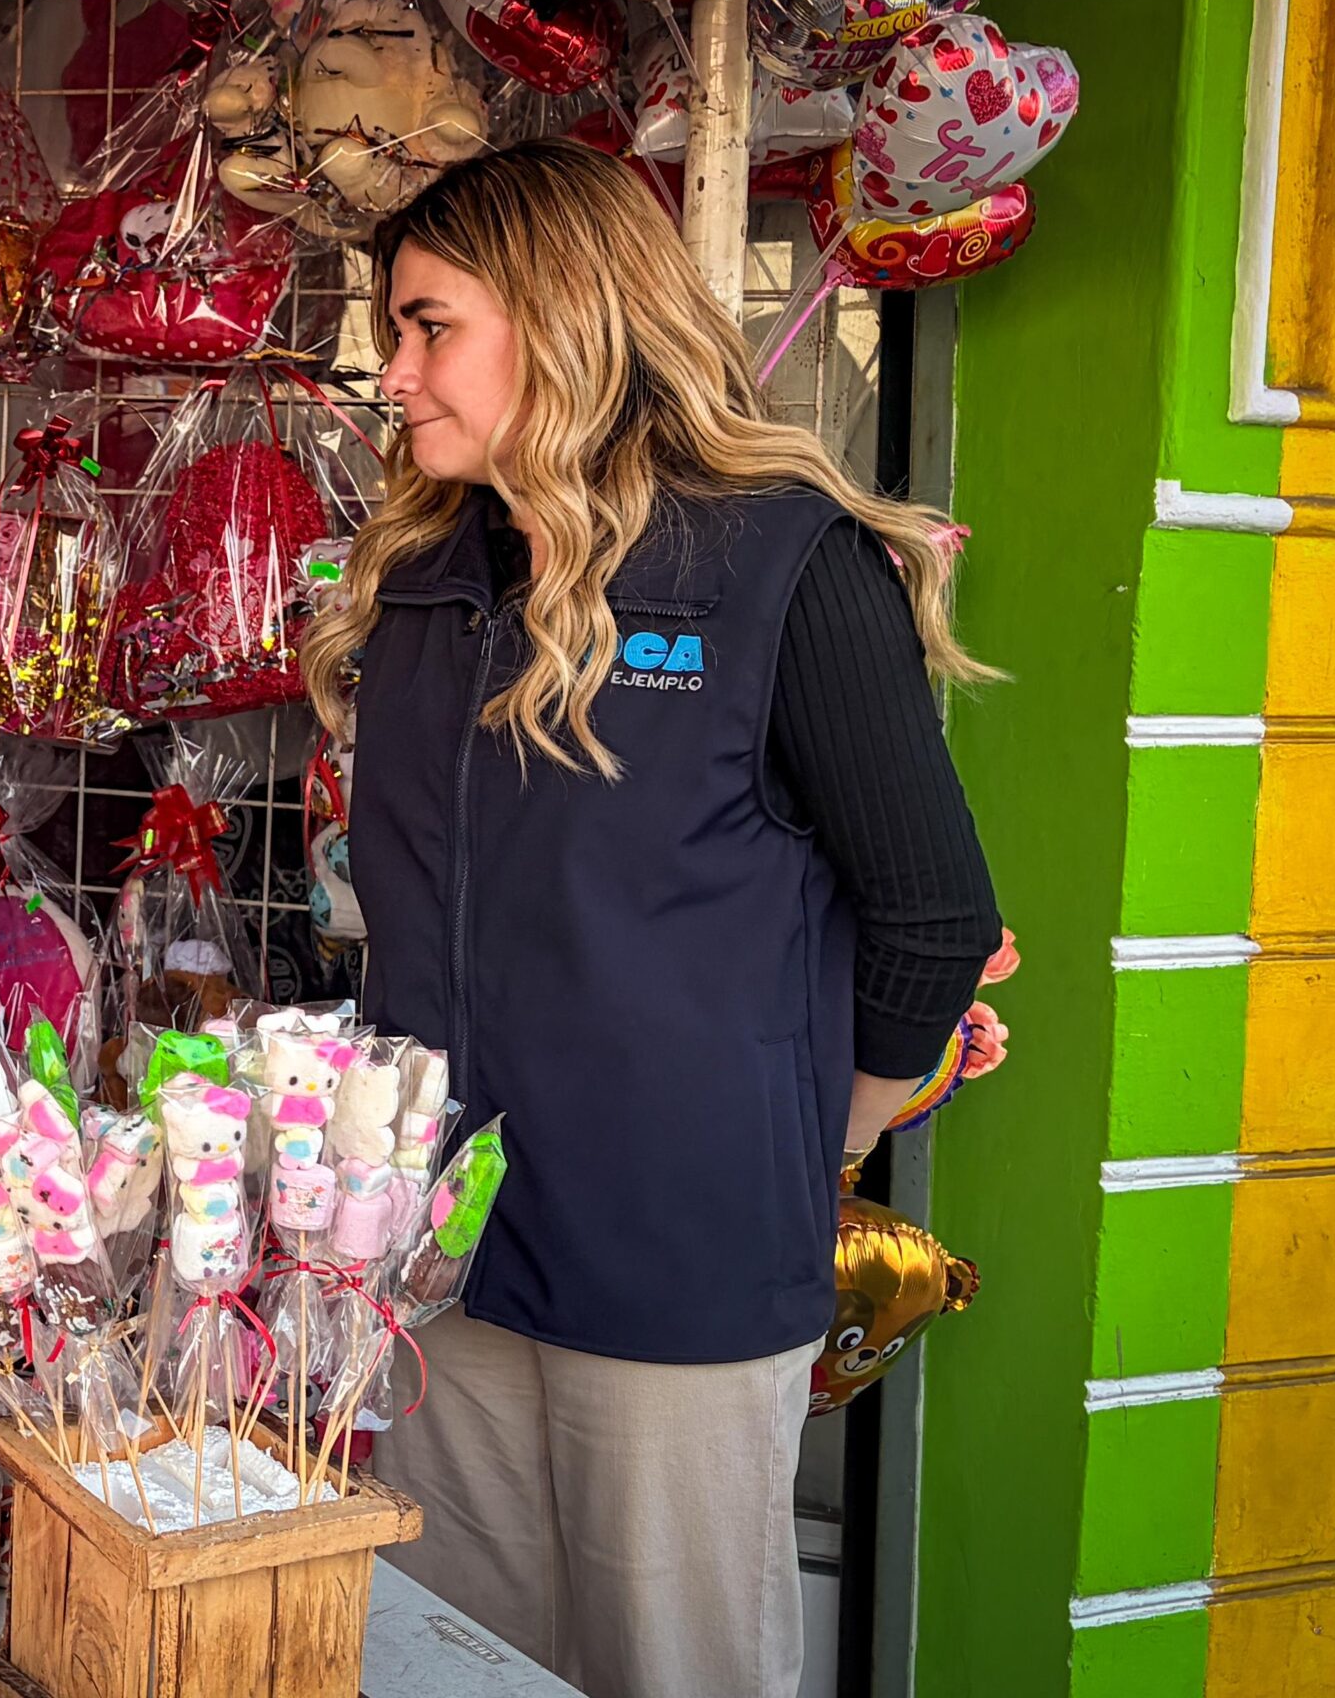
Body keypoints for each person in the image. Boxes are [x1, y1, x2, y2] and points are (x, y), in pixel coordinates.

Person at [301, 142, 1001, 1698]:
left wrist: (803, 1140)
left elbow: (933, 912)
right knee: (443, 1660)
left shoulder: (778, 559)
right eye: (390, 335)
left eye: (429, 328)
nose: (393, 374)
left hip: (672, 1263)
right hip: (440, 1250)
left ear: (561, 316)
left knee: (666, 1670)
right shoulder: (421, 572)